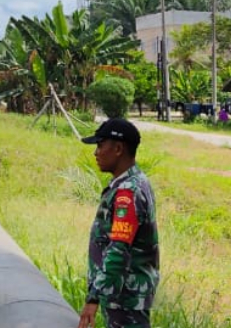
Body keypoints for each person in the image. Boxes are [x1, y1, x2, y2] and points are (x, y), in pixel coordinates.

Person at [78, 118, 160, 328]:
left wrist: (93, 298)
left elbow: (118, 249)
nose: (96, 153)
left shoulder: (129, 191)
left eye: (100, 145)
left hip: (125, 299)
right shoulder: (132, 182)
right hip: (121, 296)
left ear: (118, 149)